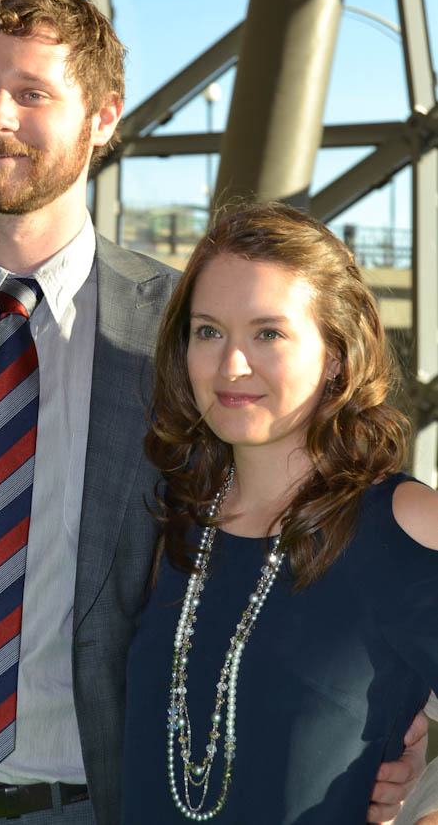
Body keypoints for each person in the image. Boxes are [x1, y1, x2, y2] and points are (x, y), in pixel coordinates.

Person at [0, 0, 425, 825]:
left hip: (97, 804)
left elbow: (292, 546)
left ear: (103, 118)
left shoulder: (187, 333)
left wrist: (396, 735)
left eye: (32, 93)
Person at [122, 201, 438, 824]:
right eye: (209, 331)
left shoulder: (403, 522)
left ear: (337, 355)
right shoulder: (173, 524)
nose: (231, 365)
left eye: (269, 333)